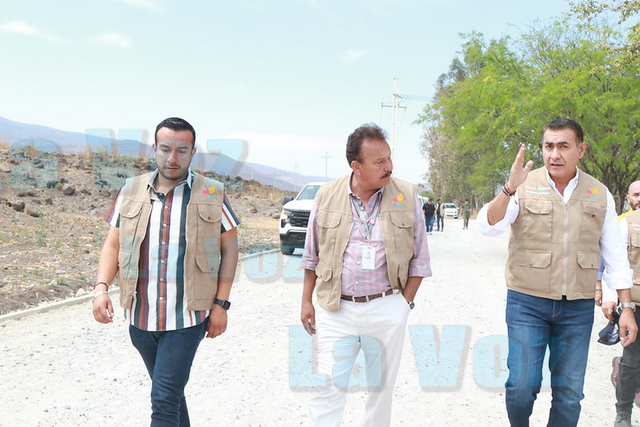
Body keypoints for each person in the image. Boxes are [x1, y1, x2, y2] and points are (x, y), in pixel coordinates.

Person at [477, 118, 637, 427]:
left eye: (563, 146)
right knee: (521, 388)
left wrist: (626, 306)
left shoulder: (600, 193)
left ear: (581, 150)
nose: (554, 154)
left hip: (577, 308)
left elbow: (616, 256)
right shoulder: (522, 185)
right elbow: (488, 226)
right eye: (548, 146)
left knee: (569, 395)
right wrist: (509, 188)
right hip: (527, 303)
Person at [91, 117, 240, 426]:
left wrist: (221, 305)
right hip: (141, 318)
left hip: (187, 318)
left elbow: (229, 250)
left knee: (163, 399)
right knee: (170, 395)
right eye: (166, 149)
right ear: (154, 148)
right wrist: (101, 288)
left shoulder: (211, 192)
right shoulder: (131, 189)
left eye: (182, 151)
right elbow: (113, 245)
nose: (173, 158)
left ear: (193, 152)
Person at [300, 123, 431, 426]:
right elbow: (311, 254)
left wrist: (403, 306)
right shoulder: (327, 195)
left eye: (389, 158)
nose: (389, 166)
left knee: (380, 392)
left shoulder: (406, 194)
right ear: (356, 166)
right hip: (336, 309)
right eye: (379, 161)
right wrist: (306, 301)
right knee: (327, 388)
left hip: (386, 307)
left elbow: (420, 258)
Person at [601, 180, 640, 427]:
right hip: (634, 305)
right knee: (633, 359)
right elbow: (613, 262)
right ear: (628, 198)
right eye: (636, 194)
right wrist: (609, 297)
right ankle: (623, 413)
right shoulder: (627, 223)